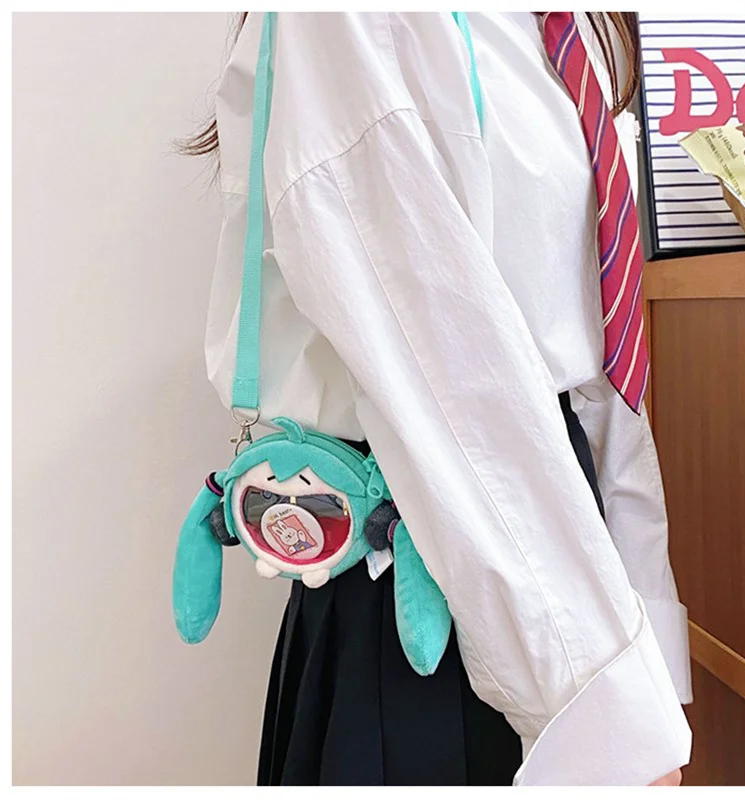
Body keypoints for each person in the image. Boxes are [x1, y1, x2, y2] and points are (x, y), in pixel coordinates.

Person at [184, 11, 692, 786]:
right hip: (442, 584)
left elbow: (595, 363)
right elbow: (441, 367)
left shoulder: (562, 29)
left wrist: (646, 641)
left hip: (564, 575)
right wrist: (606, 714)